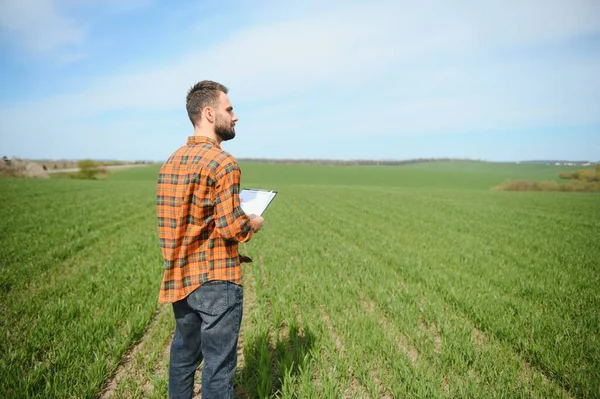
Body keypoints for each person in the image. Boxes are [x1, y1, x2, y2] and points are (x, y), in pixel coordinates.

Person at [156, 80, 264, 399]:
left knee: (183, 360)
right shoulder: (223, 162)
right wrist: (253, 222)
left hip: (181, 280)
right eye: (229, 109)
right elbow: (232, 228)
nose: (235, 116)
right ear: (208, 113)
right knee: (218, 370)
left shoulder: (170, 162)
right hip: (217, 280)